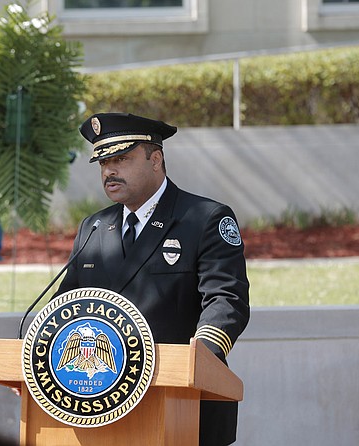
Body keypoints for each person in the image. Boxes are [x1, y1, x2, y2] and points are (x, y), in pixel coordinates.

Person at [53, 112, 251, 446]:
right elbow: (65, 308)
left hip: (180, 400)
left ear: (155, 159)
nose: (109, 171)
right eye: (103, 163)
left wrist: (199, 358)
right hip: (99, 404)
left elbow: (226, 300)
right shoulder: (94, 228)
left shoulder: (204, 218)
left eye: (121, 159)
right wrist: (38, 359)